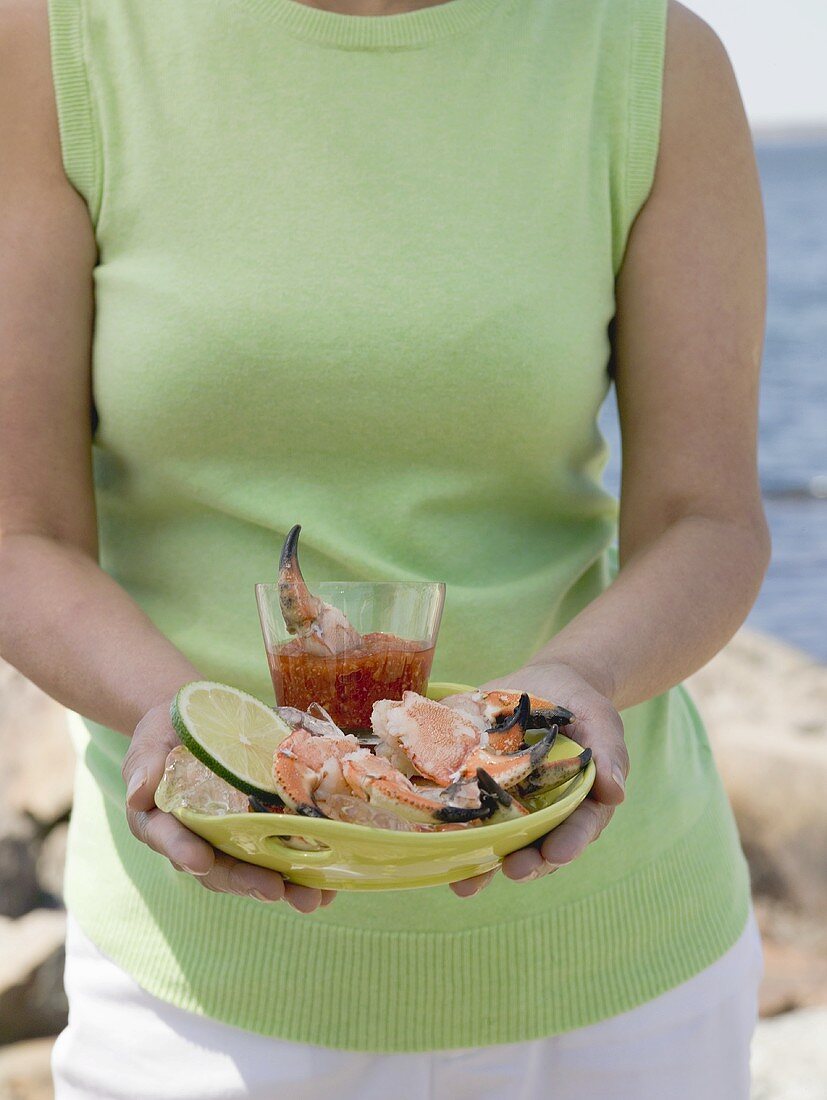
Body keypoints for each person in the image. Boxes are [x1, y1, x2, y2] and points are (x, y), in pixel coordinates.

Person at [0, 0, 769, 1095]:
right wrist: (183, 723)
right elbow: (18, 531)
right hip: (203, 982)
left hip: (613, 977)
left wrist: (577, 676)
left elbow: (705, 519)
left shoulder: (647, 55)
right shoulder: (56, 46)